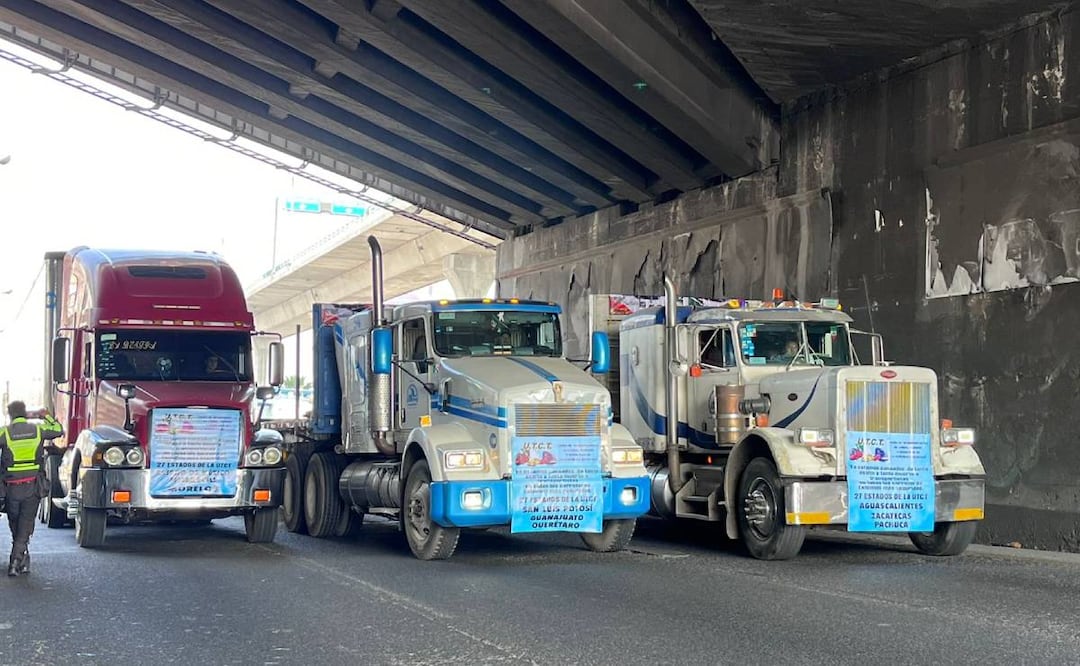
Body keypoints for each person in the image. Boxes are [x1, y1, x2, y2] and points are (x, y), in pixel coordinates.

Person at [0, 401, 64, 576]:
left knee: (15, 523)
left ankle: (20, 558)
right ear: (25, 413)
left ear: (10, 415)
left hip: (11, 487)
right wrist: (45, 415)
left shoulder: (4, 432)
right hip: (32, 485)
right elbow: (58, 430)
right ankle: (16, 561)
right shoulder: (38, 430)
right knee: (25, 524)